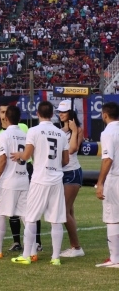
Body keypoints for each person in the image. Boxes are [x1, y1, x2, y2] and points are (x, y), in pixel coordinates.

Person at [11, 101, 69, 266]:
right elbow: (65, 160)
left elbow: (27, 154)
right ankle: (55, 257)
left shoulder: (33, 131)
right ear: (52, 114)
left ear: (37, 113)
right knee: (56, 220)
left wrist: (19, 155)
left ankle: (27, 255)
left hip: (40, 179)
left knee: (31, 218)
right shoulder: (61, 133)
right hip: (56, 179)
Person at [0, 105, 30, 259]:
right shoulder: (25, 134)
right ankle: (31, 251)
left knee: (0, 215)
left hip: (9, 180)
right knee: (26, 217)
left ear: (5, 118)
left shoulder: (4, 135)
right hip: (23, 178)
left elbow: (2, 160)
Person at [56, 100, 85, 257]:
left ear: (71, 113)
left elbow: (73, 149)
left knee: (64, 211)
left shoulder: (78, 130)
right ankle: (74, 246)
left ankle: (76, 247)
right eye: (59, 111)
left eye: (64, 111)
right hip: (62, 172)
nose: (61, 114)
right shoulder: (59, 131)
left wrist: (73, 131)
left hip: (72, 172)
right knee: (69, 211)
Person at [96, 101, 119, 267]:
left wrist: (100, 182)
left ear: (104, 114)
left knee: (112, 218)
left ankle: (115, 258)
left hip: (115, 177)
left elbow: (108, 158)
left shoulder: (108, 132)